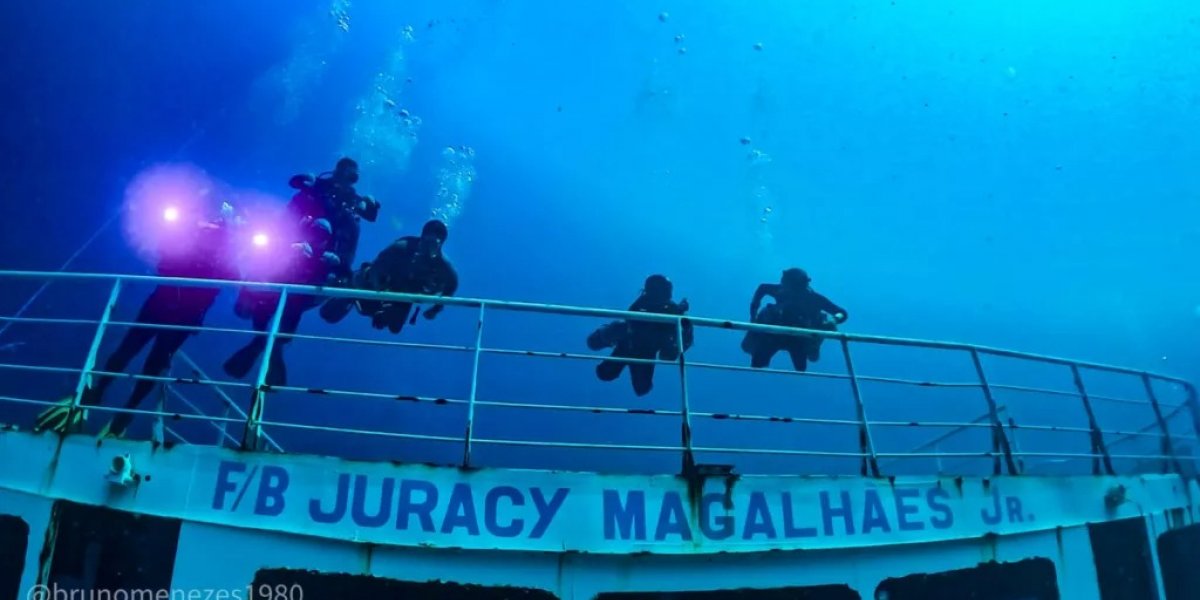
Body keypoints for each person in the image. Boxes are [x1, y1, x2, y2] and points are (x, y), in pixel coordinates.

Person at [34, 208, 241, 437]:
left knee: (147, 360)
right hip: (164, 306)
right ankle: (105, 397)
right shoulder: (194, 245)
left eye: (218, 228)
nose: (212, 230)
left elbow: (231, 276)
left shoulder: (221, 257)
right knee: (133, 353)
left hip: (176, 312)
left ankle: (122, 408)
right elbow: (166, 261)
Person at [222, 217, 337, 386]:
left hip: (291, 304)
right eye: (314, 233)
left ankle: (261, 353)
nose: (317, 238)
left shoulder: (325, 260)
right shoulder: (289, 248)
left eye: (322, 236)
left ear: (327, 240)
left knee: (273, 337)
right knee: (270, 336)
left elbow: (332, 280)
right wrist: (290, 253)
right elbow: (267, 266)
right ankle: (265, 354)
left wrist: (328, 270)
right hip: (271, 300)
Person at [319, 219, 458, 334]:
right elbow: (378, 266)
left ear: (441, 244)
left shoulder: (444, 267)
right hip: (380, 281)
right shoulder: (401, 247)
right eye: (427, 242)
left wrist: (436, 309)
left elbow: (451, 287)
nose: (428, 248)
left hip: (404, 294)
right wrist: (380, 294)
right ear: (421, 237)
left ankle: (380, 309)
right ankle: (349, 288)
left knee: (394, 327)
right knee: (366, 301)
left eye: (434, 244)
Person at [589, 275, 693, 397]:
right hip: (629, 342)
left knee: (642, 388)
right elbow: (631, 317)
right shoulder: (644, 303)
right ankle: (603, 336)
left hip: (647, 350)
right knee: (605, 372)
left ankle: (603, 337)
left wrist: (685, 326)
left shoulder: (673, 311)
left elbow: (671, 352)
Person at [286, 157, 379, 286]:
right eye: (342, 174)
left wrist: (371, 204)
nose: (345, 181)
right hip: (301, 244)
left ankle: (337, 271)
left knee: (353, 222)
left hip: (331, 255)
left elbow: (371, 216)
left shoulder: (352, 200)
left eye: (351, 177)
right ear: (336, 173)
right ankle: (287, 249)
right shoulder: (319, 186)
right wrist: (306, 181)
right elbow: (295, 182)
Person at [741, 268, 847, 372]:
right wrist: (753, 316)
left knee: (801, 367)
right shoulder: (780, 290)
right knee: (757, 363)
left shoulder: (814, 299)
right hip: (776, 332)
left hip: (798, 336)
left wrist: (833, 320)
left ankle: (814, 343)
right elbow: (762, 288)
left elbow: (842, 313)